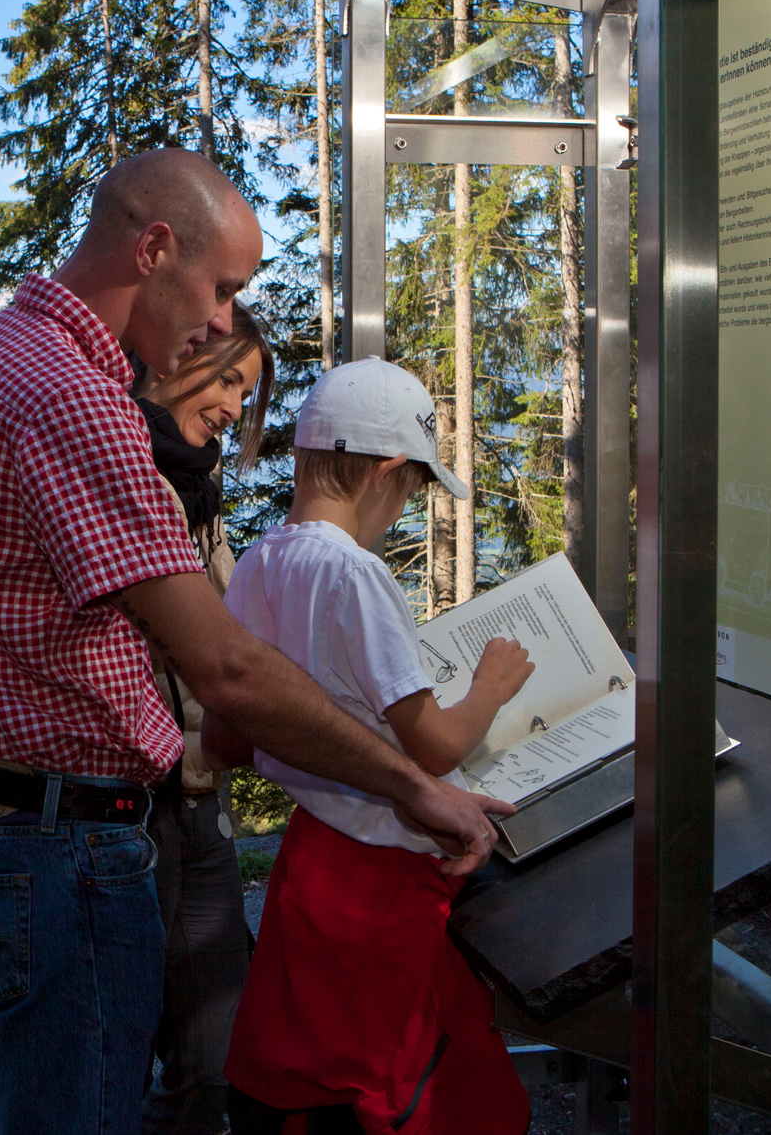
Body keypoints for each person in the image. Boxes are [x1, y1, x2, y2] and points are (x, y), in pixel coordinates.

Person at [0, 148, 511, 1135]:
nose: (225, 322)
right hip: (61, 843)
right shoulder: (73, 398)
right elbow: (225, 665)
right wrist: (413, 784)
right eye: (222, 287)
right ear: (154, 248)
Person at [213, 358, 537, 1135]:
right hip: (387, 874)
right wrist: (491, 686)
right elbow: (434, 745)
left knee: (312, 1061)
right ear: (387, 471)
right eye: (413, 490)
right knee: (393, 1072)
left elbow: (227, 735)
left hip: (312, 861)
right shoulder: (356, 575)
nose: (403, 511)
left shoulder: (259, 562)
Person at [133, 303, 274, 1134]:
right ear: (178, 355)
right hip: (135, 800)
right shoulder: (127, 471)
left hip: (196, 791)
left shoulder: (195, 483)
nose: (233, 406)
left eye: (246, 392)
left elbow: (226, 625)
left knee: (213, 1055)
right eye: (227, 379)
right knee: (122, 1048)